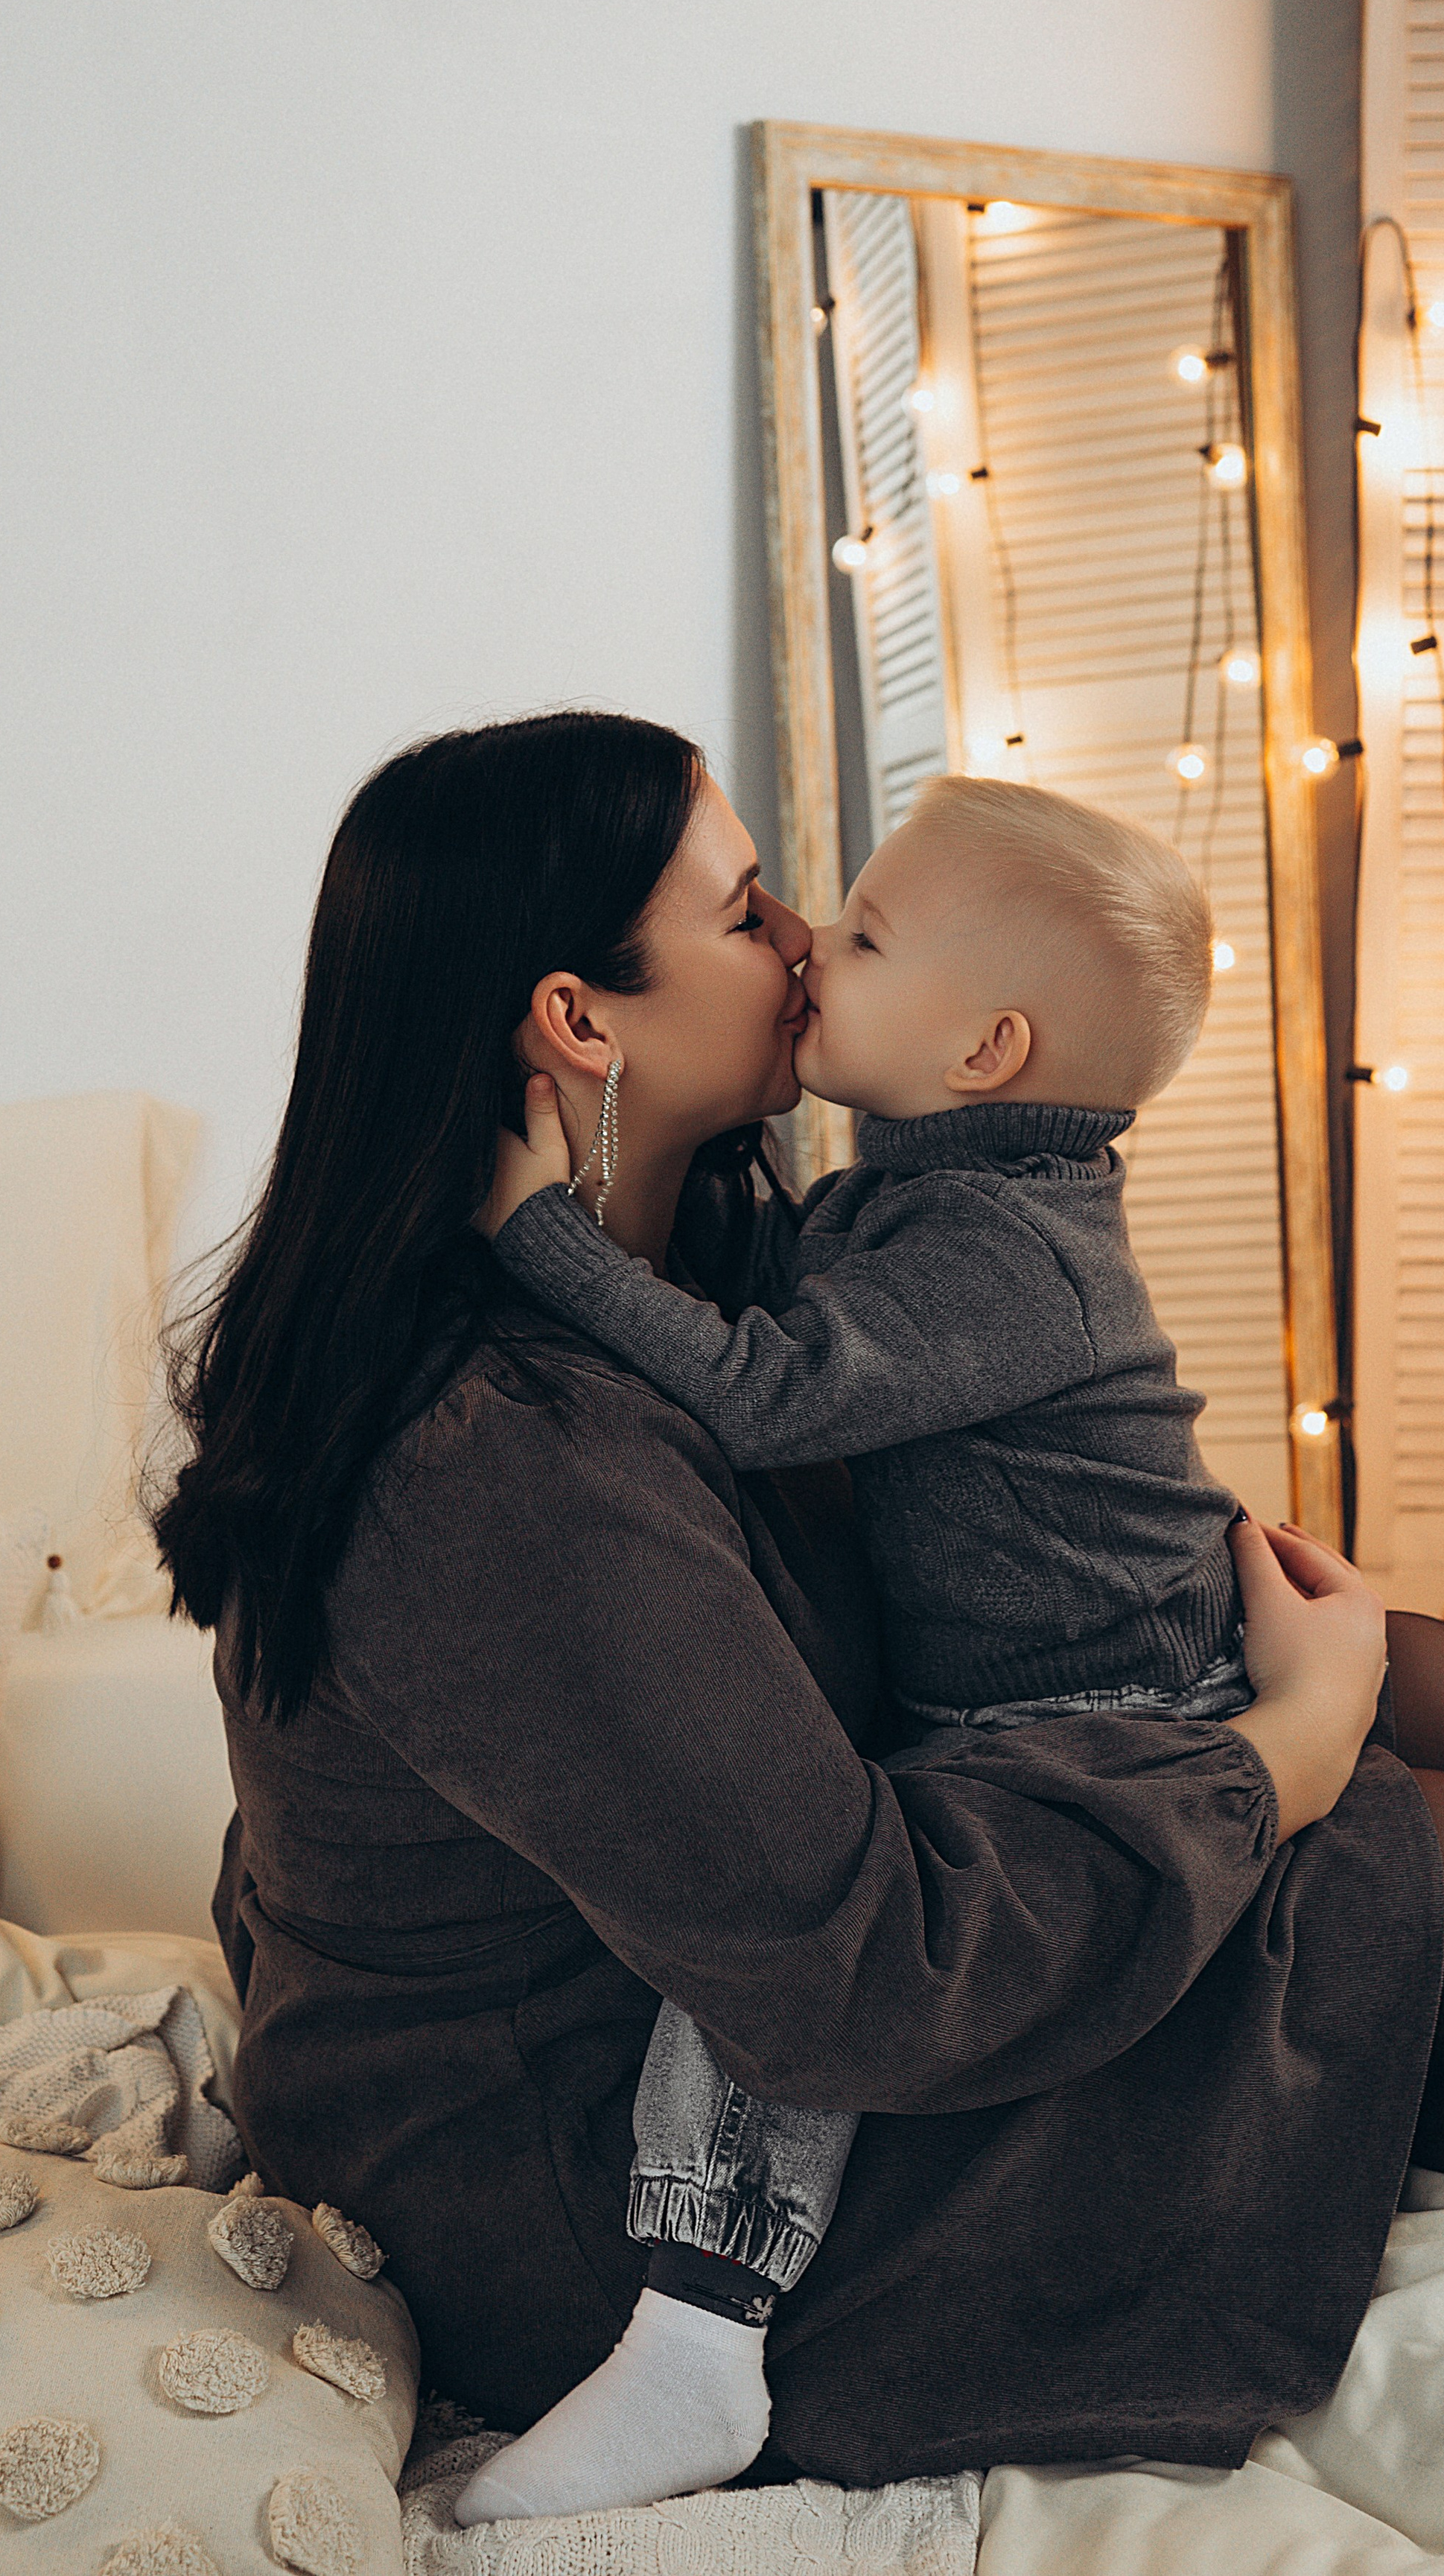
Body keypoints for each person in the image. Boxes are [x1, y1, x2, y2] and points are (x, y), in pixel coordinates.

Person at [153, 710, 1444, 2525]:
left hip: (730, 1968)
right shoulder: (496, 1457)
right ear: (576, 1021)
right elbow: (849, 1972)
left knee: (1428, 1679)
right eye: (746, 910)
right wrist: (1277, 1756)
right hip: (608, 2202)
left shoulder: (707, 1264)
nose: (798, 942)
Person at [465, 769, 1258, 2519]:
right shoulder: (908, 1199)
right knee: (766, 1918)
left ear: (984, 1052)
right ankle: (696, 2335)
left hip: (1094, 1701)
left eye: (860, 928)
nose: (810, 936)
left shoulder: (995, 1240)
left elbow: (767, 1390)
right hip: (1025, 1687)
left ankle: (695, 2329)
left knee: (772, 1976)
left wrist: (531, 1229)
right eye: (761, 906)